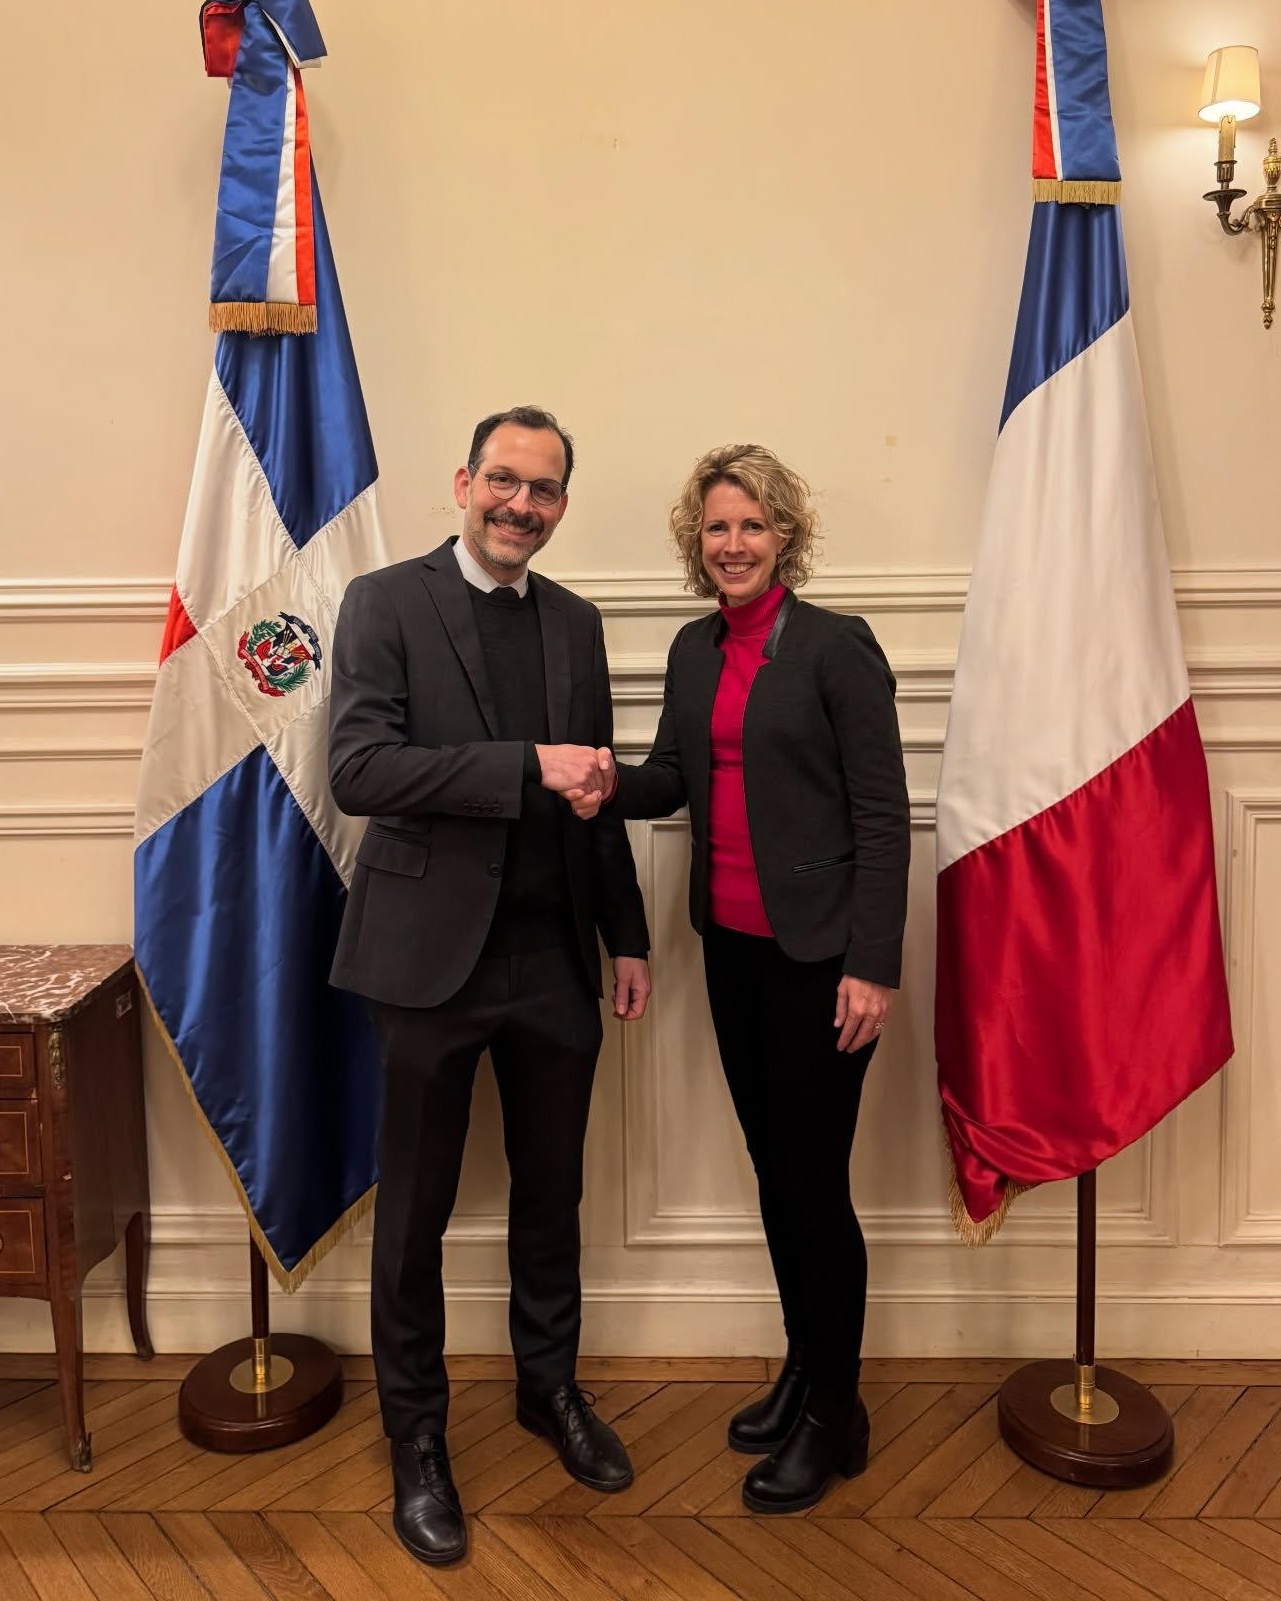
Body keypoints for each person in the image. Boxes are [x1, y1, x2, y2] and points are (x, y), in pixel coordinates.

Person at [329, 406, 652, 1568]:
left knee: (551, 1197)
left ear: (563, 504)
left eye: (546, 490)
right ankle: (418, 1441)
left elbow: (596, 795)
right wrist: (524, 765)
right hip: (424, 967)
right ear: (464, 482)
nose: (523, 505)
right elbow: (360, 769)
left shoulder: (577, 621)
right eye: (505, 482)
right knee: (411, 1217)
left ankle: (547, 1391)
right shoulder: (383, 603)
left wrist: (626, 934)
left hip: (555, 962)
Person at [569, 443, 909, 1514]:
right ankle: (806, 1370)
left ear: (786, 538)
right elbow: (674, 775)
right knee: (776, 1172)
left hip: (822, 964)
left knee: (815, 1184)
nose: (733, 545)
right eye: (717, 528)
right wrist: (601, 783)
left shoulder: (836, 650)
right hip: (731, 947)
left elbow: (882, 818)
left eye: (753, 525)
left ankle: (836, 1412)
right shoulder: (692, 649)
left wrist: (874, 966)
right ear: (696, 542)